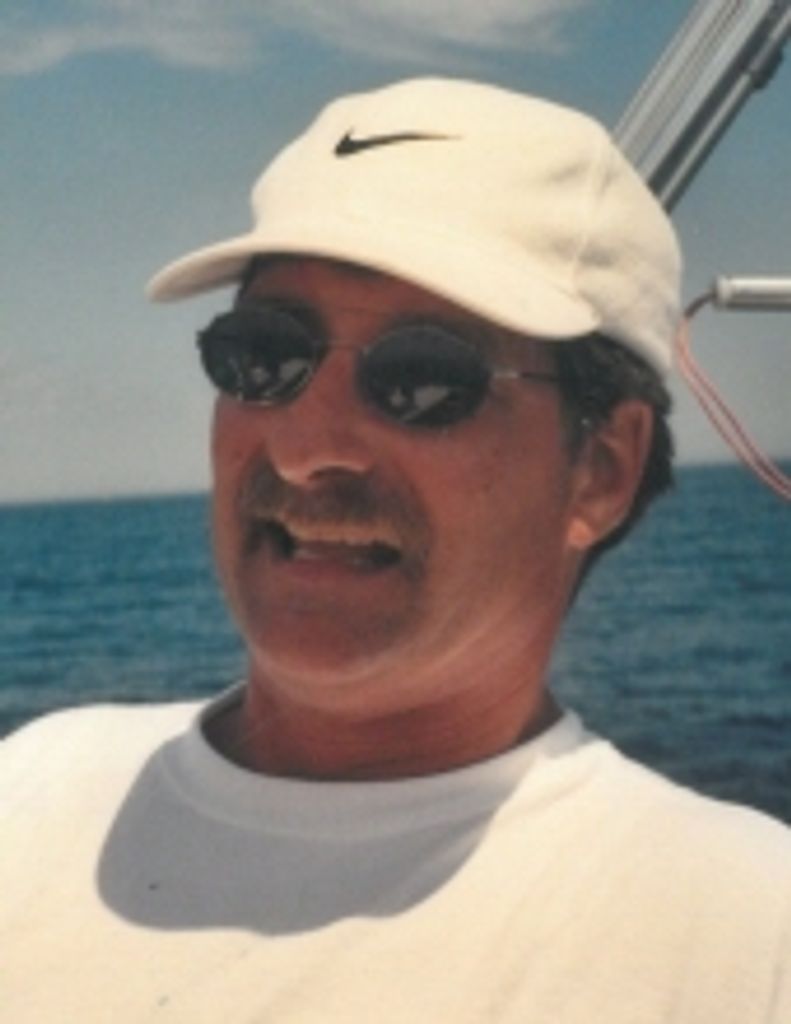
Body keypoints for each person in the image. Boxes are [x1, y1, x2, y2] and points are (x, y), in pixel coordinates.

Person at [3, 78, 790, 1023]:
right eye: (264, 356)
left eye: (423, 378)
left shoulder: (746, 938)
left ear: (600, 470)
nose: (304, 448)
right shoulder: (31, 789)